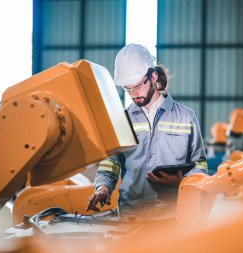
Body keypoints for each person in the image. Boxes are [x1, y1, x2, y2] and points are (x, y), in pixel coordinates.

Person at [86, 43, 207, 219]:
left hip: (171, 218)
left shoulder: (186, 118)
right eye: (127, 89)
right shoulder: (122, 120)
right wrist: (103, 188)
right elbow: (110, 163)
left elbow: (200, 166)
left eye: (137, 86)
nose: (133, 94)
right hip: (130, 217)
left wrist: (182, 181)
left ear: (153, 76)